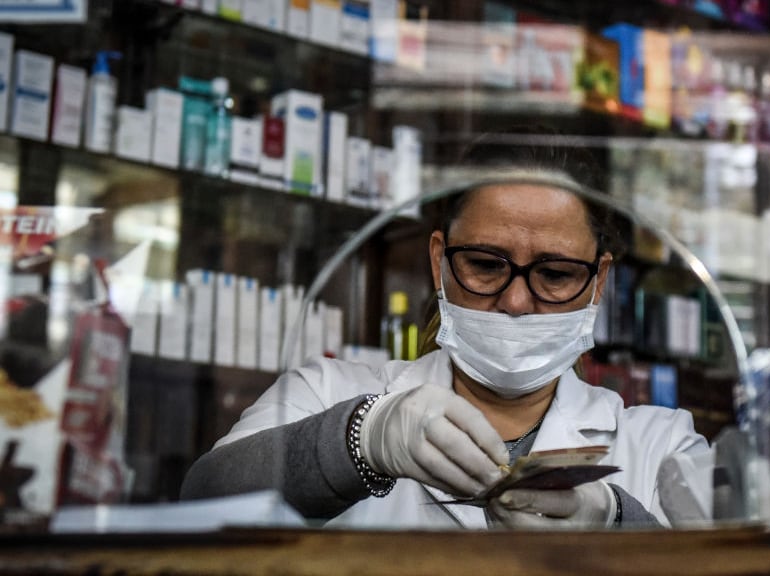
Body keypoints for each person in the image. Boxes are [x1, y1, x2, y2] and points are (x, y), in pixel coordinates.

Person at [180, 127, 712, 529]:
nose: (516, 301)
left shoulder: (658, 443)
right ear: (439, 262)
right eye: (485, 264)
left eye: (554, 274)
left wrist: (616, 520)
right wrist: (361, 440)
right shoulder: (326, 392)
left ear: (598, 283)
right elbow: (201, 504)